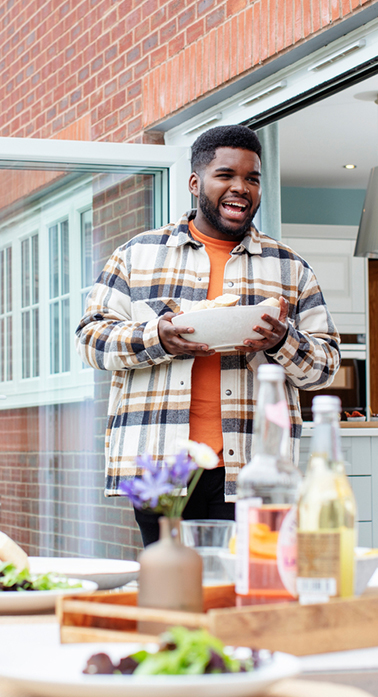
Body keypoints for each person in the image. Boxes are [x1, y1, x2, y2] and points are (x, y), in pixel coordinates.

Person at [75, 125, 341, 546]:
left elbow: (325, 368)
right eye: (226, 175)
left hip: (255, 467)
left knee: (245, 590)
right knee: (171, 587)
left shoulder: (290, 269)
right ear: (196, 183)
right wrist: (157, 338)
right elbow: (90, 340)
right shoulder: (136, 255)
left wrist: (281, 341)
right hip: (160, 465)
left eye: (252, 178)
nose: (241, 188)